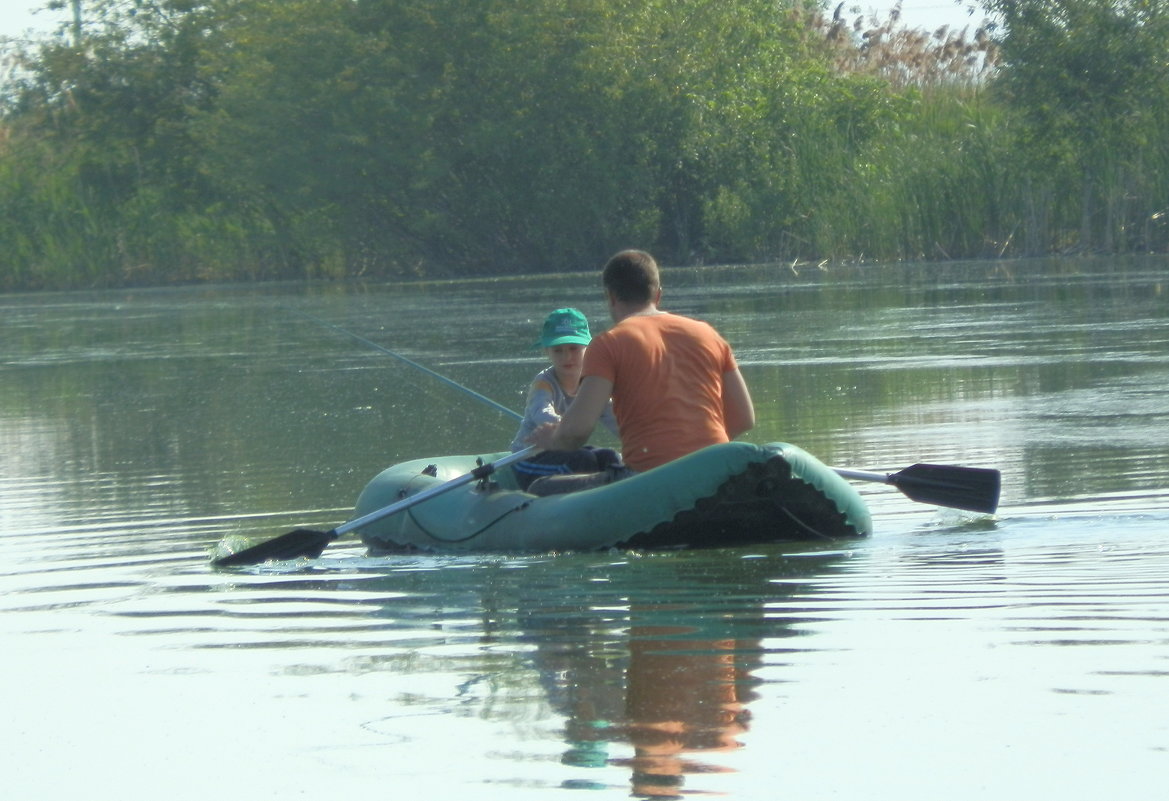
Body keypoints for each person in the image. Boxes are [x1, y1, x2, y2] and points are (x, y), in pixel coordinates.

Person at [529, 250, 754, 491]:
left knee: (539, 488)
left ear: (611, 296)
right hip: (713, 470)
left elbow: (576, 432)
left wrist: (551, 439)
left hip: (647, 479)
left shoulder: (608, 344)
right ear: (658, 295)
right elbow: (744, 418)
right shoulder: (709, 335)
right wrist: (694, 453)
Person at [510, 308, 623, 491]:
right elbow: (542, 412)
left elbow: (615, 419)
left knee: (610, 457)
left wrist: (639, 439)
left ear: (588, 348)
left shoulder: (593, 383)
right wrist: (570, 425)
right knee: (582, 460)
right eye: (558, 350)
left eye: (573, 348)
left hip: (566, 451)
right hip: (530, 458)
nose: (567, 357)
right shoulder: (543, 383)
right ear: (547, 352)